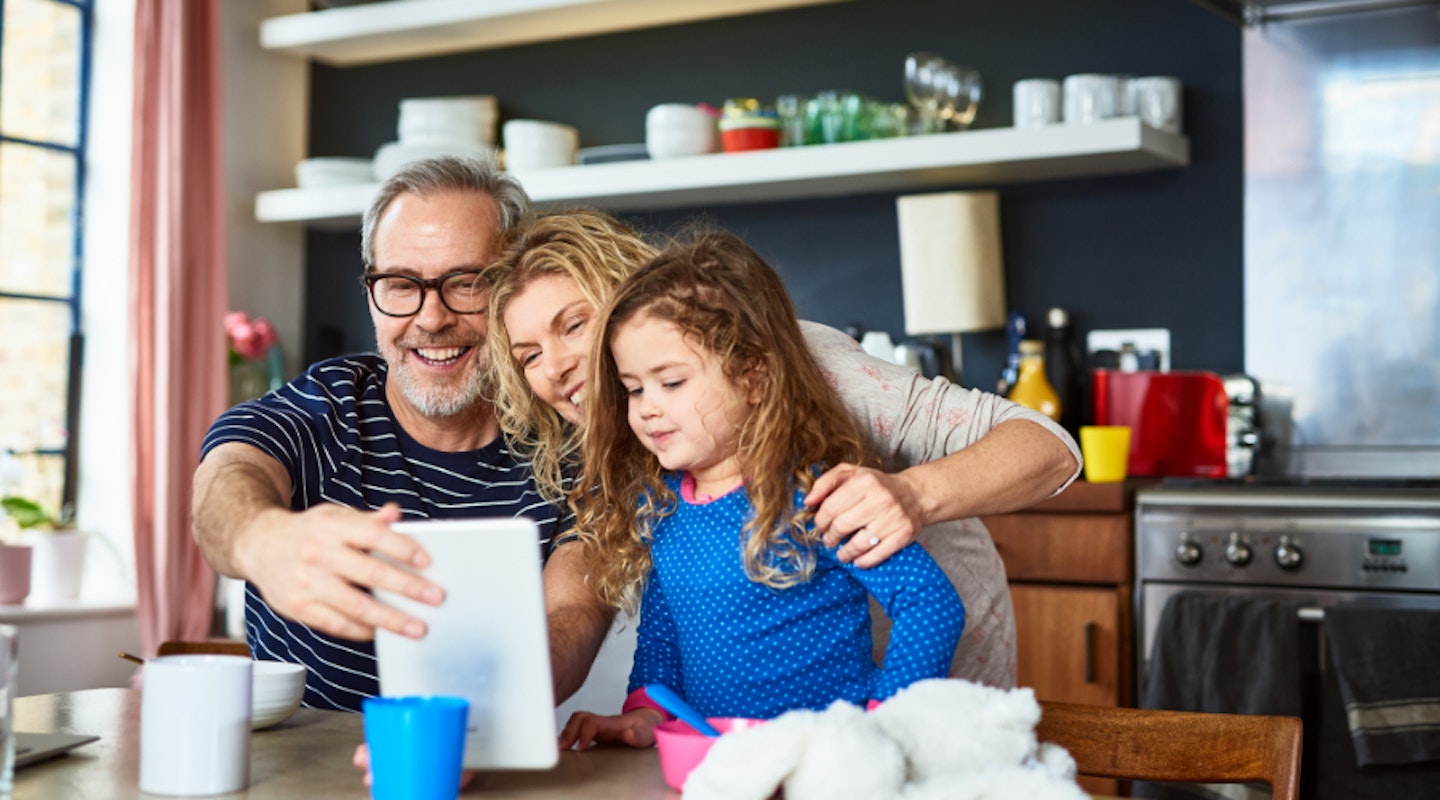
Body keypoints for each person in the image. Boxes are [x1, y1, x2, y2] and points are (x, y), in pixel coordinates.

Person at [486, 209, 1080, 688]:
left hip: (930, 688)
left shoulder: (804, 364)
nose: (558, 367)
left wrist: (912, 495)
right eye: (529, 355)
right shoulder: (639, 438)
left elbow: (1049, 448)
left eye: (573, 325)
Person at [191, 156, 610, 711]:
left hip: (470, 760)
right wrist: (260, 538)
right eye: (399, 284)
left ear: (513, 290)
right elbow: (227, 478)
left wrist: (483, 695)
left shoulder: (573, 444)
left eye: (466, 283)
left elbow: (573, 615)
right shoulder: (326, 406)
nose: (431, 318)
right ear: (371, 295)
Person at [558, 232, 965, 750]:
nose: (646, 407)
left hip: (829, 769)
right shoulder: (661, 508)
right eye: (634, 388)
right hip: (721, 768)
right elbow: (663, 639)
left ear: (753, 378)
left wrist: (885, 724)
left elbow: (929, 603)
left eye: (672, 382)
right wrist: (646, 714)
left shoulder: (814, 496)